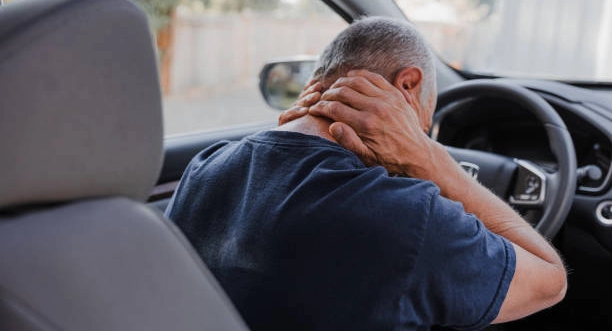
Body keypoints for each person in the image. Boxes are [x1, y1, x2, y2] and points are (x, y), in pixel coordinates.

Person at [166, 17, 566, 331]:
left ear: (315, 85)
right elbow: (550, 281)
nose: (420, 136)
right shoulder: (409, 217)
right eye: (423, 126)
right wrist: (431, 161)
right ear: (408, 85)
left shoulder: (206, 168)